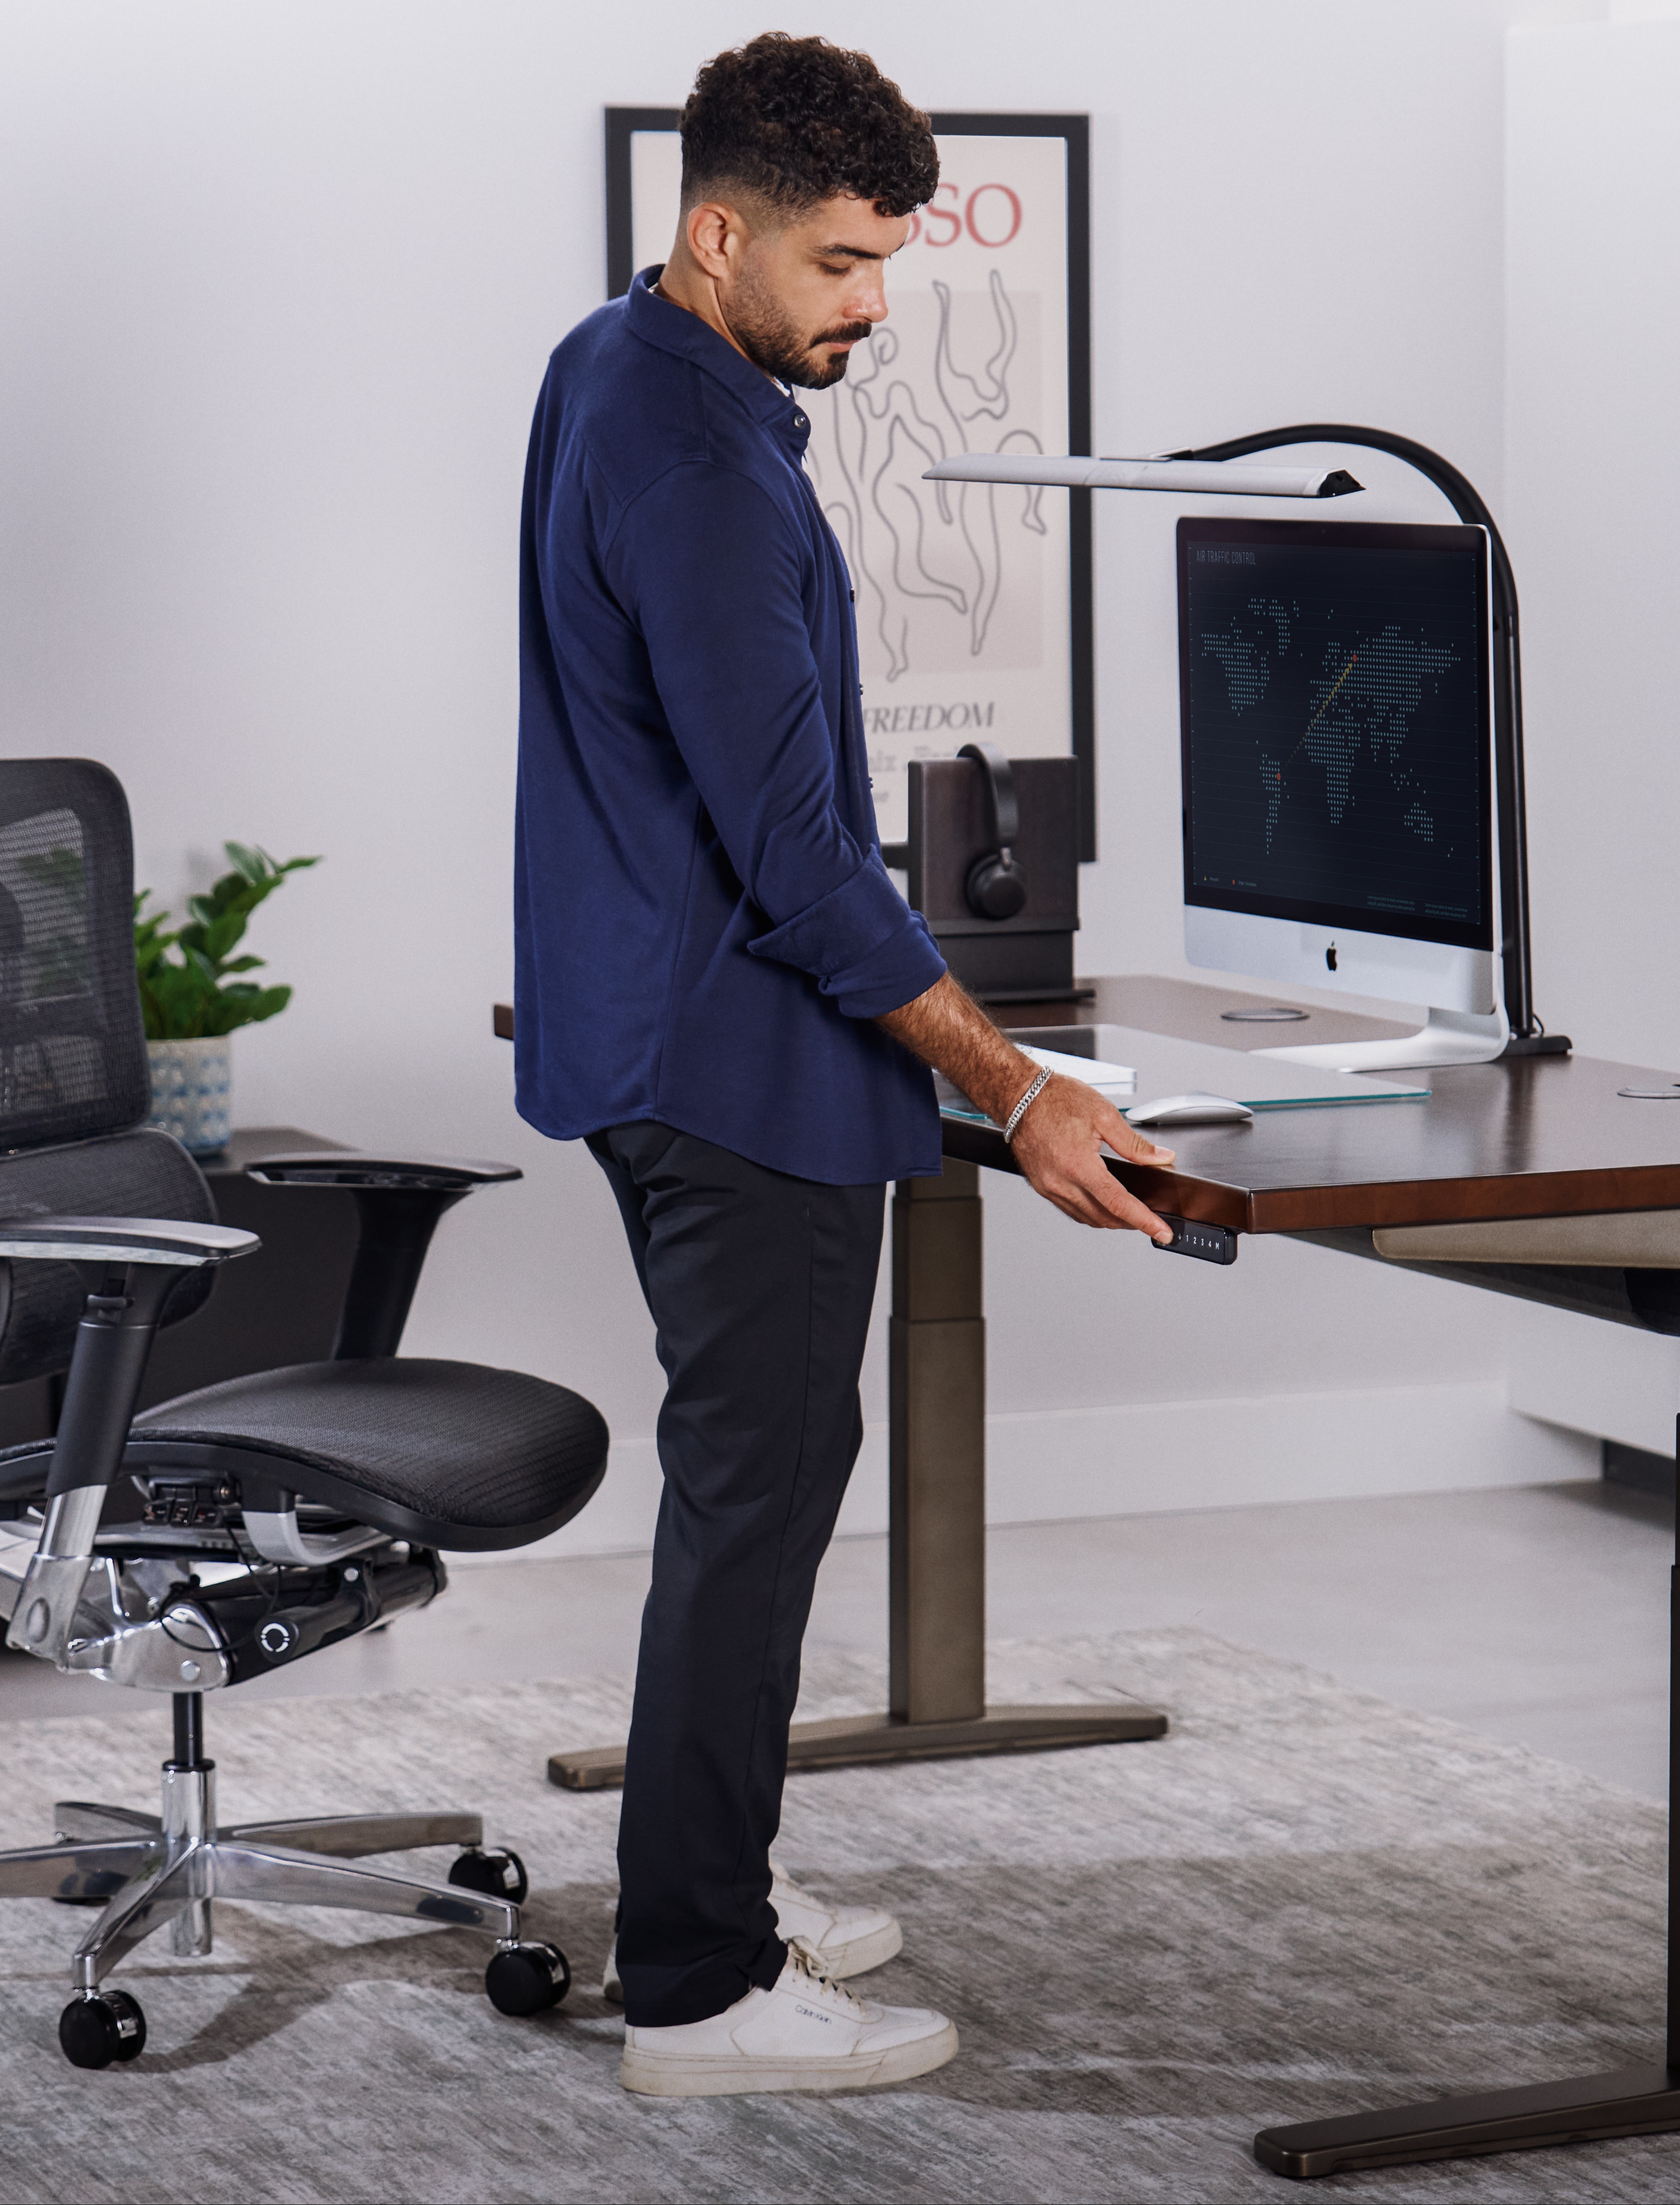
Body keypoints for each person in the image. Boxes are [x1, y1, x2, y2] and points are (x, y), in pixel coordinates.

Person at [513, 33, 1175, 2099]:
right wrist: (1016, 1082)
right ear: (719, 233)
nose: (874, 303)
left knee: (753, 1479)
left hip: (638, 1018)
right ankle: (700, 1991)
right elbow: (797, 852)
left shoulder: (613, 361)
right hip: (734, 1066)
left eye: (887, 260)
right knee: (761, 1492)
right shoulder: (706, 469)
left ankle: (707, 1884)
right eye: (841, 262)